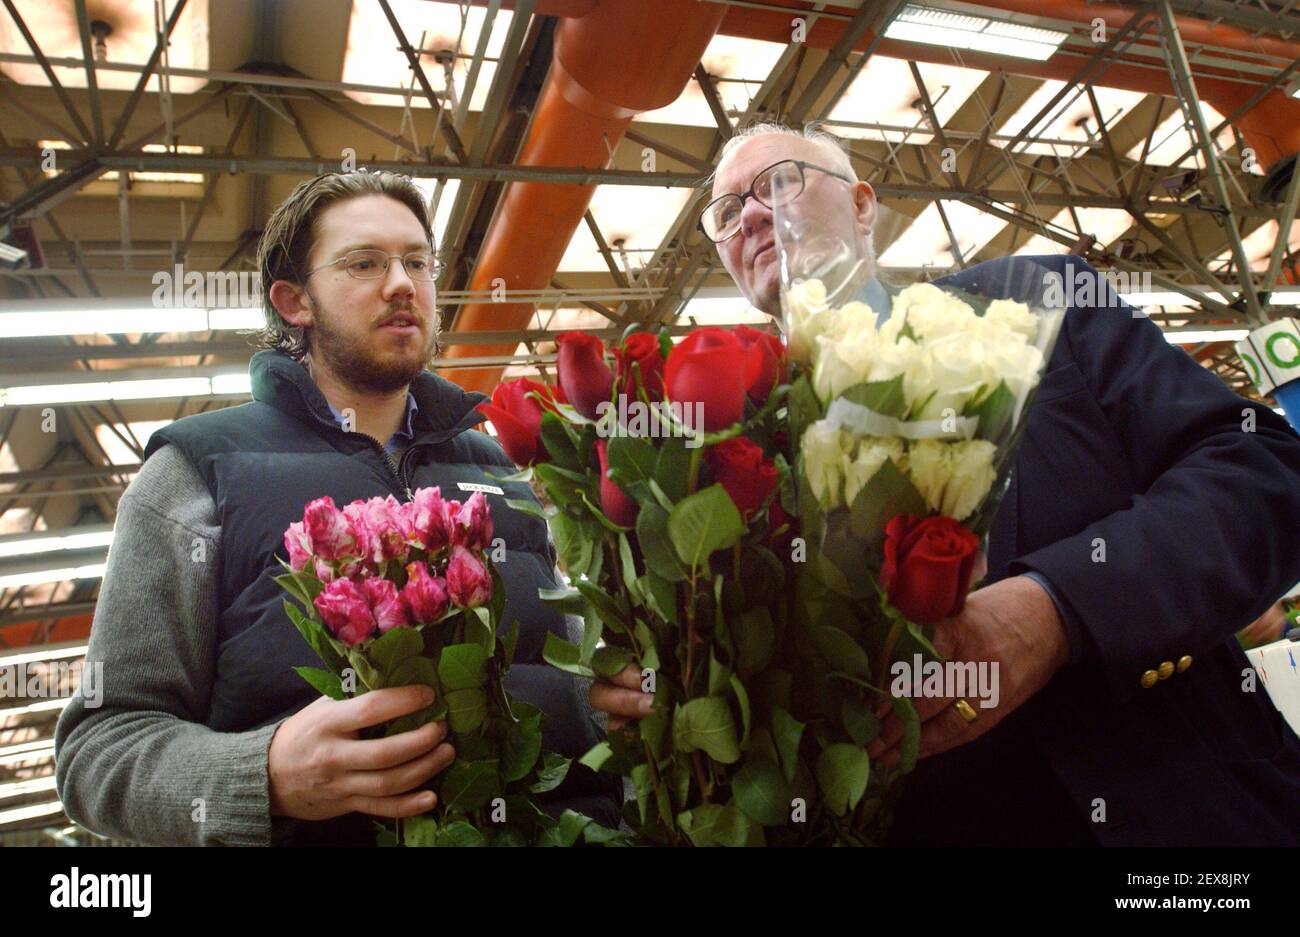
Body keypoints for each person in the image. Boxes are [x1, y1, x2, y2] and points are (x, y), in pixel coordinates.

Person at [591, 124, 1300, 845]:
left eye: (779, 181)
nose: (749, 215)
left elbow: (1266, 473)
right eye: (726, 211)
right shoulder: (733, 461)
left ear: (863, 205)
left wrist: (1058, 609)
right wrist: (667, 684)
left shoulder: (1038, 301)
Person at [55, 171, 620, 845]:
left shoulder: (500, 468)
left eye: (417, 262)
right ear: (295, 301)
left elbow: (563, 673)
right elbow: (99, 745)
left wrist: (606, 702)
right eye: (365, 263)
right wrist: (262, 774)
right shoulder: (195, 472)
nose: (403, 283)